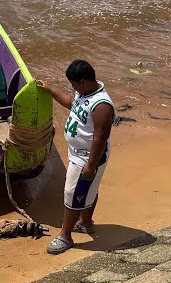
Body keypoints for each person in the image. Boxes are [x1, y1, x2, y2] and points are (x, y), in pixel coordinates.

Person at [39, 60, 115, 254]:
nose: (72, 88)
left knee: (72, 194)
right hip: (78, 153)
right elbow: (71, 104)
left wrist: (91, 165)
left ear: (84, 81)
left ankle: (65, 236)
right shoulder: (84, 93)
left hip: (88, 157)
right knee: (90, 189)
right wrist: (51, 90)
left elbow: (100, 137)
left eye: (74, 84)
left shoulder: (102, 106)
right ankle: (86, 222)